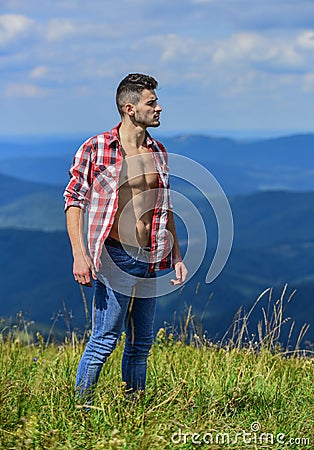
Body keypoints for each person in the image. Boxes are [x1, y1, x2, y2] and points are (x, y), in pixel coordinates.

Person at [63, 73, 188, 404]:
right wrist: (80, 254)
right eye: (152, 102)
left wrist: (175, 254)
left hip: (150, 257)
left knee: (141, 343)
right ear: (130, 108)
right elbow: (73, 199)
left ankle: (134, 410)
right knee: (105, 339)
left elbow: (165, 204)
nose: (159, 108)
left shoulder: (157, 150)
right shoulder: (97, 147)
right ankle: (80, 408)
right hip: (115, 254)